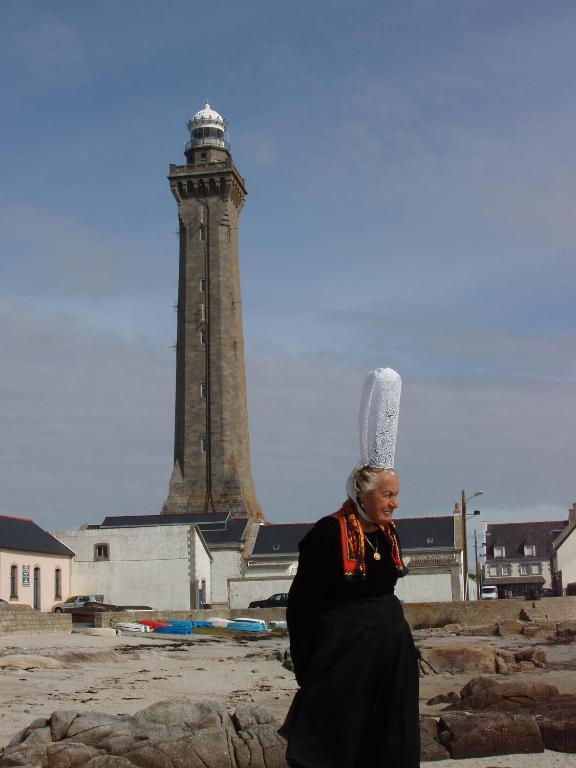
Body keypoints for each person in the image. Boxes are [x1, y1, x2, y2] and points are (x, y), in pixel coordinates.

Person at [280, 369, 420, 768]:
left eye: (396, 495)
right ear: (365, 492)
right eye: (388, 495)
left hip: (391, 660)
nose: (394, 503)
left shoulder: (388, 533)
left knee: (389, 746)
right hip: (345, 661)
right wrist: (308, 664)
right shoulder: (328, 533)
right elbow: (303, 605)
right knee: (339, 747)